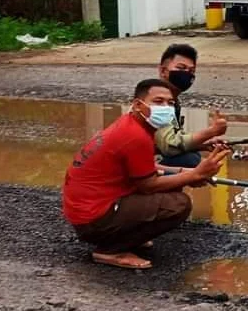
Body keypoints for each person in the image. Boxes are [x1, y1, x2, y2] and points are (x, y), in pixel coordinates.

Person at [62, 79, 230, 270]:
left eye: (170, 103)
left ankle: (127, 236)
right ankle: (110, 250)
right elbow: (148, 185)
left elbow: (148, 166)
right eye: (158, 102)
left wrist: (189, 172)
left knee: (176, 181)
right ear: (137, 104)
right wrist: (194, 175)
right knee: (178, 204)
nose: (166, 108)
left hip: (88, 210)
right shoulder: (135, 135)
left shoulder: (132, 124)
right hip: (92, 219)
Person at [155, 43, 227, 168]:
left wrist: (203, 144)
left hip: (152, 154)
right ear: (163, 71)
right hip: (138, 163)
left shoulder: (173, 101)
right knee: (190, 160)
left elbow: (174, 137)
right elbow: (170, 147)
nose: (186, 74)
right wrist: (211, 131)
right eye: (181, 68)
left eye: (191, 71)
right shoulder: (158, 101)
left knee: (193, 156)